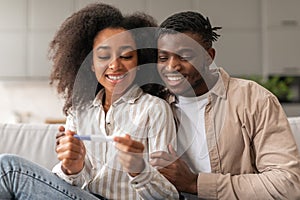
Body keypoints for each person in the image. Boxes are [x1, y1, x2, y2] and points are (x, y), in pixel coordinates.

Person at [0, 3, 179, 199]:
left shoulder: (154, 110)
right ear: (91, 65)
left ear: (140, 62)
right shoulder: (79, 112)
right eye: (103, 56)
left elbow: (168, 196)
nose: (115, 65)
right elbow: (65, 187)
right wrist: (71, 168)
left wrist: (139, 170)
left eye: (126, 56)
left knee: (8, 169)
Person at [148, 11, 300, 199]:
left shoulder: (254, 100)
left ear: (209, 56)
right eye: (163, 58)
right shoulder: (153, 104)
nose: (172, 66)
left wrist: (195, 183)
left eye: (185, 56)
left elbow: (287, 184)